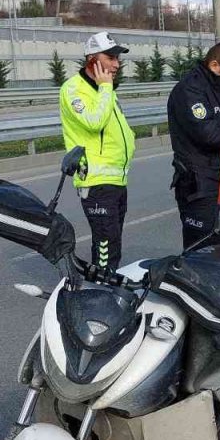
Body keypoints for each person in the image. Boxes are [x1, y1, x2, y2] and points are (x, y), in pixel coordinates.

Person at [60, 31, 135, 271]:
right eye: (111, 57)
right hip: (96, 180)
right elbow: (94, 121)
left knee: (113, 245)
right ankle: (99, 295)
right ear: (92, 59)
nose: (116, 64)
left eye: (117, 58)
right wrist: (105, 88)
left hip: (115, 178)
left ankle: (104, 290)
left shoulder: (105, 90)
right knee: (106, 248)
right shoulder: (74, 89)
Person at [166, 41, 220, 249]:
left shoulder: (213, 89)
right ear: (214, 66)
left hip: (217, 183)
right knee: (201, 251)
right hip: (198, 186)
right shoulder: (191, 90)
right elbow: (210, 134)